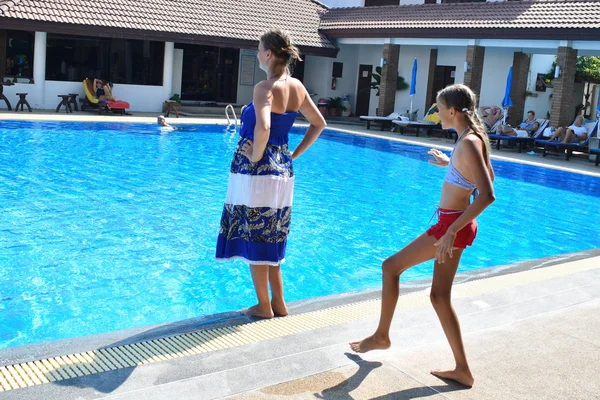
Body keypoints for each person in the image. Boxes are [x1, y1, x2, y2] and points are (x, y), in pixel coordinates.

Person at [349, 84, 496, 388]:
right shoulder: (469, 140)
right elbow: (485, 176)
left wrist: (450, 233)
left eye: (439, 108)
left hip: (451, 227)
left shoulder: (468, 143)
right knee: (439, 296)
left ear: (453, 111)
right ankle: (462, 370)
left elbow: (487, 194)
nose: (436, 113)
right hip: (453, 225)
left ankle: (382, 335)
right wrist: (451, 164)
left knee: (390, 268)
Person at [215, 28, 326, 319]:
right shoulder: (297, 87)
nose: (257, 54)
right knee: (272, 234)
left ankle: (264, 307)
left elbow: (262, 128)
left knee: (255, 235)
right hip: (282, 168)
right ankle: (279, 303)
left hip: (258, 170)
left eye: (259, 48)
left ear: (269, 54)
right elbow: (319, 123)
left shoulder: (265, 87)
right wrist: (293, 154)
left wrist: (254, 154)